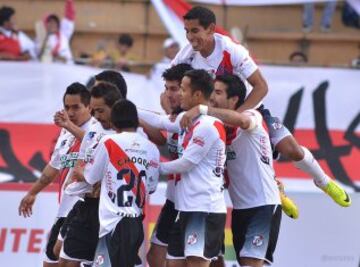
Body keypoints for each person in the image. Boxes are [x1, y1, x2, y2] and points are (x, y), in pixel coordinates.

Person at [175, 6, 351, 208]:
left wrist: (236, 116)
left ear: (211, 29)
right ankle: (275, 188)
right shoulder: (185, 57)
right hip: (211, 118)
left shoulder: (232, 50)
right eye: (186, 31)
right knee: (227, 170)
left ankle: (323, 181)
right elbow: (172, 87)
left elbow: (261, 86)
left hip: (249, 112)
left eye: (195, 31)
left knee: (290, 149)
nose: (190, 37)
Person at [183, 74, 282, 267]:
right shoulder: (215, 126)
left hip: (263, 204)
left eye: (218, 92)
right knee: (241, 261)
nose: (212, 97)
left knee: (251, 262)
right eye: (212, 92)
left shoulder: (252, 115)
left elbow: (242, 122)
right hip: (239, 208)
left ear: (234, 99)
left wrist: (203, 109)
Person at [18, 83, 94, 267]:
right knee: (50, 262)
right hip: (64, 209)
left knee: (63, 258)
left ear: (89, 107)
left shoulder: (98, 128)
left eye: (76, 107)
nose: (71, 112)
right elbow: (53, 168)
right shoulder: (66, 132)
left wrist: (68, 125)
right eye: (67, 107)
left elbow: (98, 142)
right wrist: (33, 192)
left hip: (84, 210)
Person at [157, 69, 226, 267]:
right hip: (186, 207)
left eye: (183, 89)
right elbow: (159, 121)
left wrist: (155, 168)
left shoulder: (208, 124)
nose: (178, 94)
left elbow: (186, 163)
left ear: (197, 95)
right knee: (172, 264)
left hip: (204, 208)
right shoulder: (188, 121)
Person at [82, 99, 160, 267]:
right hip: (136, 222)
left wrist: (79, 171)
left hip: (114, 222)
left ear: (113, 123)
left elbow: (90, 177)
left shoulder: (109, 142)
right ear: (136, 121)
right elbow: (151, 187)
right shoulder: (151, 148)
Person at [58, 83, 123, 267]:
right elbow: (81, 163)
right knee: (63, 260)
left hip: (109, 209)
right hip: (85, 204)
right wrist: (80, 175)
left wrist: (87, 174)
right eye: (93, 111)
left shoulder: (124, 135)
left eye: (101, 111)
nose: (96, 116)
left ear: (115, 106)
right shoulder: (94, 130)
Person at [144, 63, 193, 267]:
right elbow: (163, 140)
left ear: (186, 90)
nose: (168, 94)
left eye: (173, 89)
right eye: (166, 88)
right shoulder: (174, 116)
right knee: (154, 257)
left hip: (194, 202)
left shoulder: (194, 119)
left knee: (204, 261)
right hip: (173, 199)